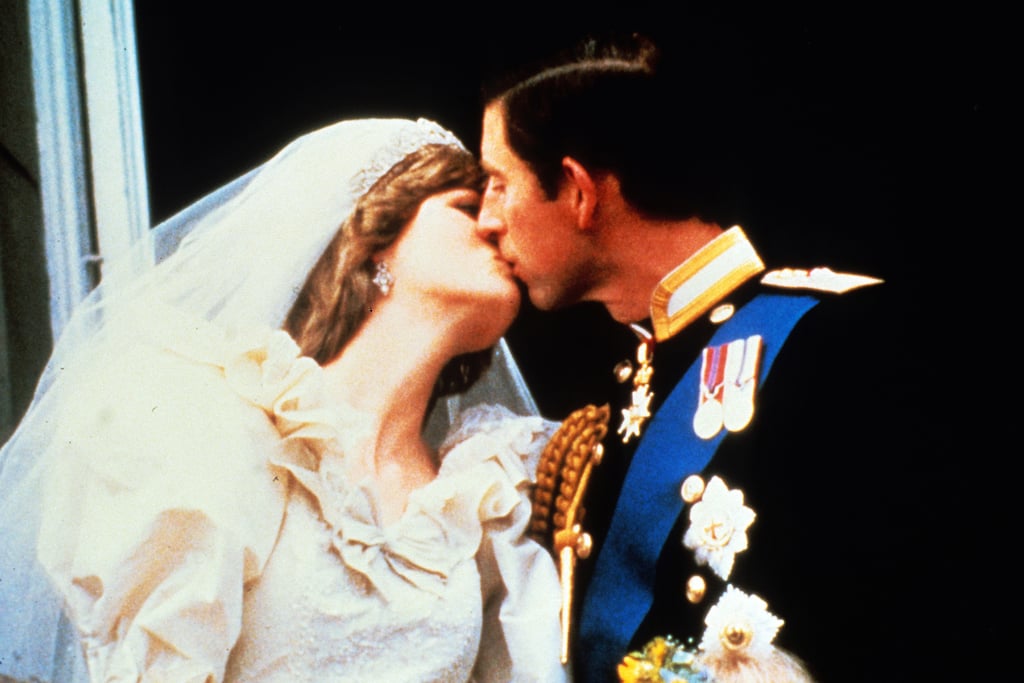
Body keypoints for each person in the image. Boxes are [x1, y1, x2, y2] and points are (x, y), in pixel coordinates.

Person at [0, 117, 570, 682]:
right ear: (375, 240)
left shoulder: (483, 492)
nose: (498, 225)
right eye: (468, 208)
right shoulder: (214, 427)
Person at [477, 33, 926, 683]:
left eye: (497, 183)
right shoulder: (627, 380)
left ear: (579, 192)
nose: (488, 219)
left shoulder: (832, 338)